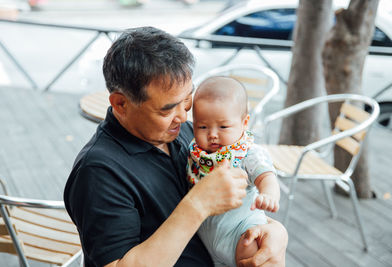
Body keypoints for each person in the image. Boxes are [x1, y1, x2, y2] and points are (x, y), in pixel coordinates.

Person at [64, 26, 287, 267]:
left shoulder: (188, 136)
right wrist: (198, 204)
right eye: (167, 109)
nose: (182, 116)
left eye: (187, 101)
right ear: (121, 103)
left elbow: (240, 209)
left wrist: (276, 234)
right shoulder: (99, 172)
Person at [187, 76, 280, 267]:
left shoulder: (248, 153)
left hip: (241, 232)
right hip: (205, 238)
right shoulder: (195, 151)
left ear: (244, 122)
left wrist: (268, 195)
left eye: (223, 126)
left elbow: (267, 177)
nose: (212, 134)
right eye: (202, 126)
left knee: (251, 251)